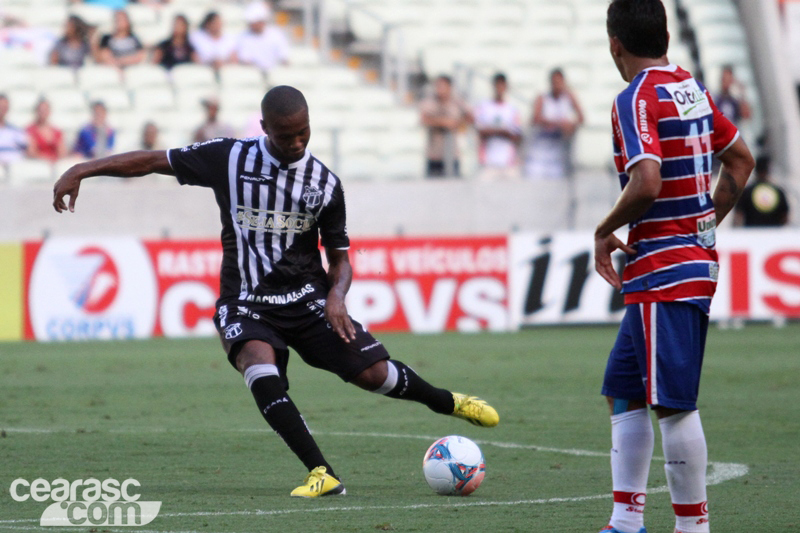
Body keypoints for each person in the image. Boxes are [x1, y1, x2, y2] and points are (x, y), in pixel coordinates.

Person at [52, 84, 500, 498]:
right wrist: (83, 169)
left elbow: (340, 256)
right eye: (287, 136)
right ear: (264, 128)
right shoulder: (228, 158)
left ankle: (450, 402)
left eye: (304, 133)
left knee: (374, 376)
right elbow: (153, 160)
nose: (298, 143)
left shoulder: (325, 184)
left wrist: (337, 296)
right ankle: (320, 472)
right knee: (259, 366)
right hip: (245, 301)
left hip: (307, 300)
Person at [594, 2, 755, 533]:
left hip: (665, 268)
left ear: (615, 43)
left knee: (673, 403)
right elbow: (741, 160)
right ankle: (625, 522)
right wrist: (705, 224)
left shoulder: (634, 97)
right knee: (625, 386)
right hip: (670, 265)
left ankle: (693, 527)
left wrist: (602, 231)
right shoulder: (691, 87)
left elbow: (646, 182)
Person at [525, 68, 584, 180]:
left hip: (558, 154)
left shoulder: (568, 97)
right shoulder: (542, 98)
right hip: (541, 152)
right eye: (554, 82)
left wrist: (570, 125)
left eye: (559, 82)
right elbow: (535, 119)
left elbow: (581, 118)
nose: (557, 85)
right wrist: (557, 123)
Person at [419, 75, 472, 178]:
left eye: (442, 86)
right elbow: (424, 119)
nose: (439, 89)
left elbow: (470, 118)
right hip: (434, 156)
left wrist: (458, 123)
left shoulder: (457, 102)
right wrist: (444, 122)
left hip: (453, 155)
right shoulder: (430, 102)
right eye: (438, 86)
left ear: (449, 87)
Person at [473, 73, 523, 180]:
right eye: (497, 85)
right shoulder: (483, 107)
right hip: (488, 162)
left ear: (506, 87)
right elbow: (481, 132)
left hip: (508, 162)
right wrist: (502, 131)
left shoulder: (512, 109)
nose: (499, 88)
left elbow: (516, 136)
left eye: (502, 85)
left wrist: (494, 131)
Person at [233, 1, 290, 73]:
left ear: (261, 21)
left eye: (253, 23)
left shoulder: (276, 35)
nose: (251, 25)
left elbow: (284, 58)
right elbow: (243, 60)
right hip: (252, 75)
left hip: (274, 74)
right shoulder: (243, 36)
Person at [734, 155, 790, 226]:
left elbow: (738, 217)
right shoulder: (778, 191)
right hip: (774, 234)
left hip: (751, 234)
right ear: (769, 170)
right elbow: (785, 217)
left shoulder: (746, 192)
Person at [0, 94, 31, 165]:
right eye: (1, 106)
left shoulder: (16, 130)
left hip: (16, 167)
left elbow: (28, 148)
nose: (3, 110)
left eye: (5, 107)